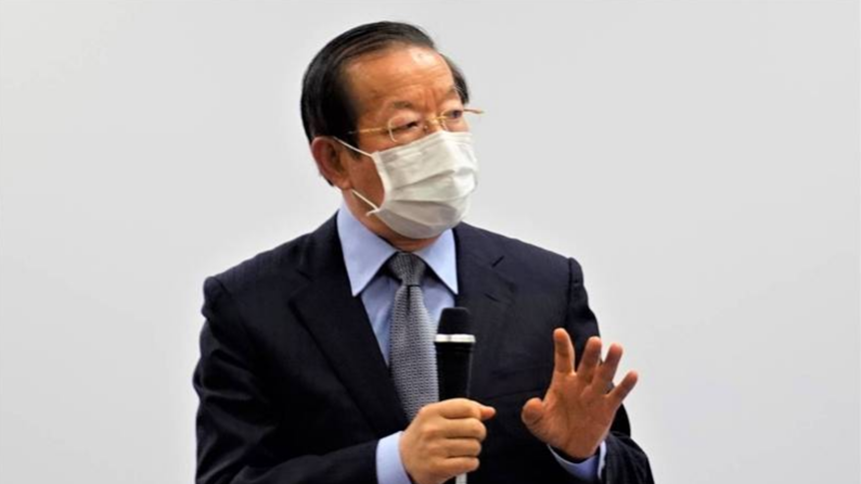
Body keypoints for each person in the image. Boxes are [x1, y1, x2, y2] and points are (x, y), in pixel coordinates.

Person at [193, 21, 653, 484]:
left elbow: (631, 469)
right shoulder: (250, 305)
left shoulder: (547, 285)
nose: (442, 143)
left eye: (452, 115)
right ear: (334, 159)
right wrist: (392, 464)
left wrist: (582, 456)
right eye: (407, 125)